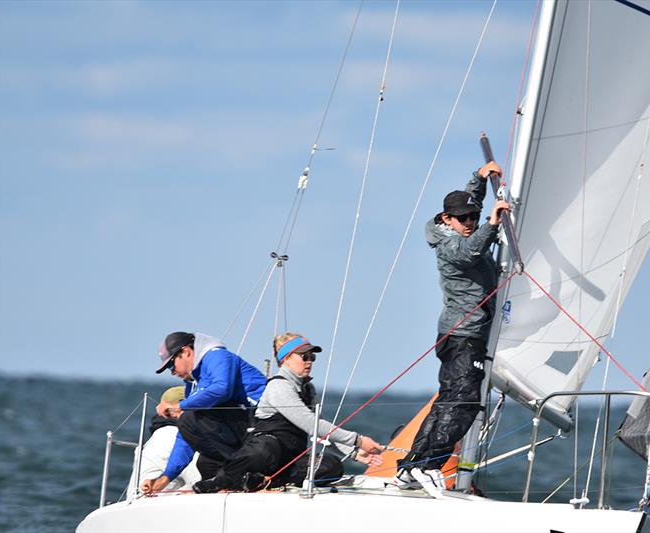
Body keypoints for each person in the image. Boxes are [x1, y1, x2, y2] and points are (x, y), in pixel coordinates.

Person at [396, 161, 509, 493]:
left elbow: (468, 201)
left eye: (474, 217)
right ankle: (430, 465)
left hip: (459, 335)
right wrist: (492, 223)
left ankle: (410, 468)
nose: (470, 223)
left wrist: (480, 177)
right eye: (464, 219)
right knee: (464, 402)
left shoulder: (457, 224)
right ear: (447, 220)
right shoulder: (449, 243)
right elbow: (469, 253)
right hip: (464, 336)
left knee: (448, 402)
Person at [193, 332, 383, 493]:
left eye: (312, 357)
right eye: (304, 357)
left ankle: (266, 481)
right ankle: (222, 480)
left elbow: (320, 432)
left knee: (331, 466)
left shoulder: (308, 390)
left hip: (290, 459)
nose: (310, 362)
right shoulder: (278, 386)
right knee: (264, 451)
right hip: (266, 454)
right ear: (286, 359)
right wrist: (357, 440)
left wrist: (354, 453)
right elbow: (311, 423)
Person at [141, 331, 267, 494]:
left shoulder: (217, 356)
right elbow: (185, 436)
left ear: (186, 352)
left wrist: (180, 406)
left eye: (171, 366)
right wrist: (165, 478)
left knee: (189, 417)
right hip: (244, 424)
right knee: (205, 463)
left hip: (264, 422)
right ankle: (232, 482)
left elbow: (222, 389)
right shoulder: (193, 384)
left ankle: (244, 471)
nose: (173, 372)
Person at [126, 386, 201, 499]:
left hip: (139, 501)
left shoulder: (161, 434)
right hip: (154, 504)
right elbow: (197, 476)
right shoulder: (173, 434)